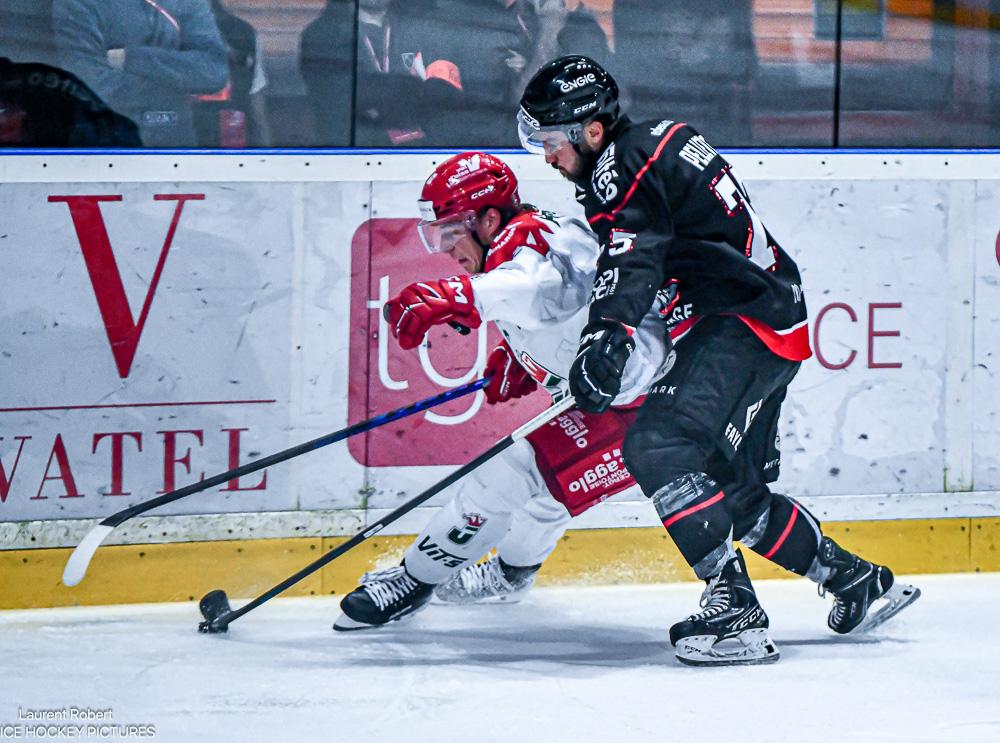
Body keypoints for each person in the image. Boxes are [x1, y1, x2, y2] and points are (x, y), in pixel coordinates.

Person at [516, 55, 920, 665]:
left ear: (591, 130)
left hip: (741, 325)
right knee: (730, 489)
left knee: (659, 444)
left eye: (551, 141)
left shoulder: (620, 165)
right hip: (770, 318)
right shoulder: (659, 140)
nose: (547, 157)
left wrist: (606, 336)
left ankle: (735, 612)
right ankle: (853, 578)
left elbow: (632, 254)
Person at [333, 150, 675, 630]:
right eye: (437, 236)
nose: (446, 250)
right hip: (632, 396)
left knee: (506, 474)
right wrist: (525, 358)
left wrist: (457, 296)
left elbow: (542, 288)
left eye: (450, 232)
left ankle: (413, 581)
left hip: (647, 408)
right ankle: (511, 576)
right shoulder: (529, 235)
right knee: (547, 489)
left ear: (489, 220)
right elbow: (573, 308)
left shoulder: (527, 247)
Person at [51, 0, 228, 147]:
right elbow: (88, 86)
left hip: (175, 152)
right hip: (102, 147)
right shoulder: (79, 3)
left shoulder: (184, 2)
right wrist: (174, 88)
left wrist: (131, 58)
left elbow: (213, 71)